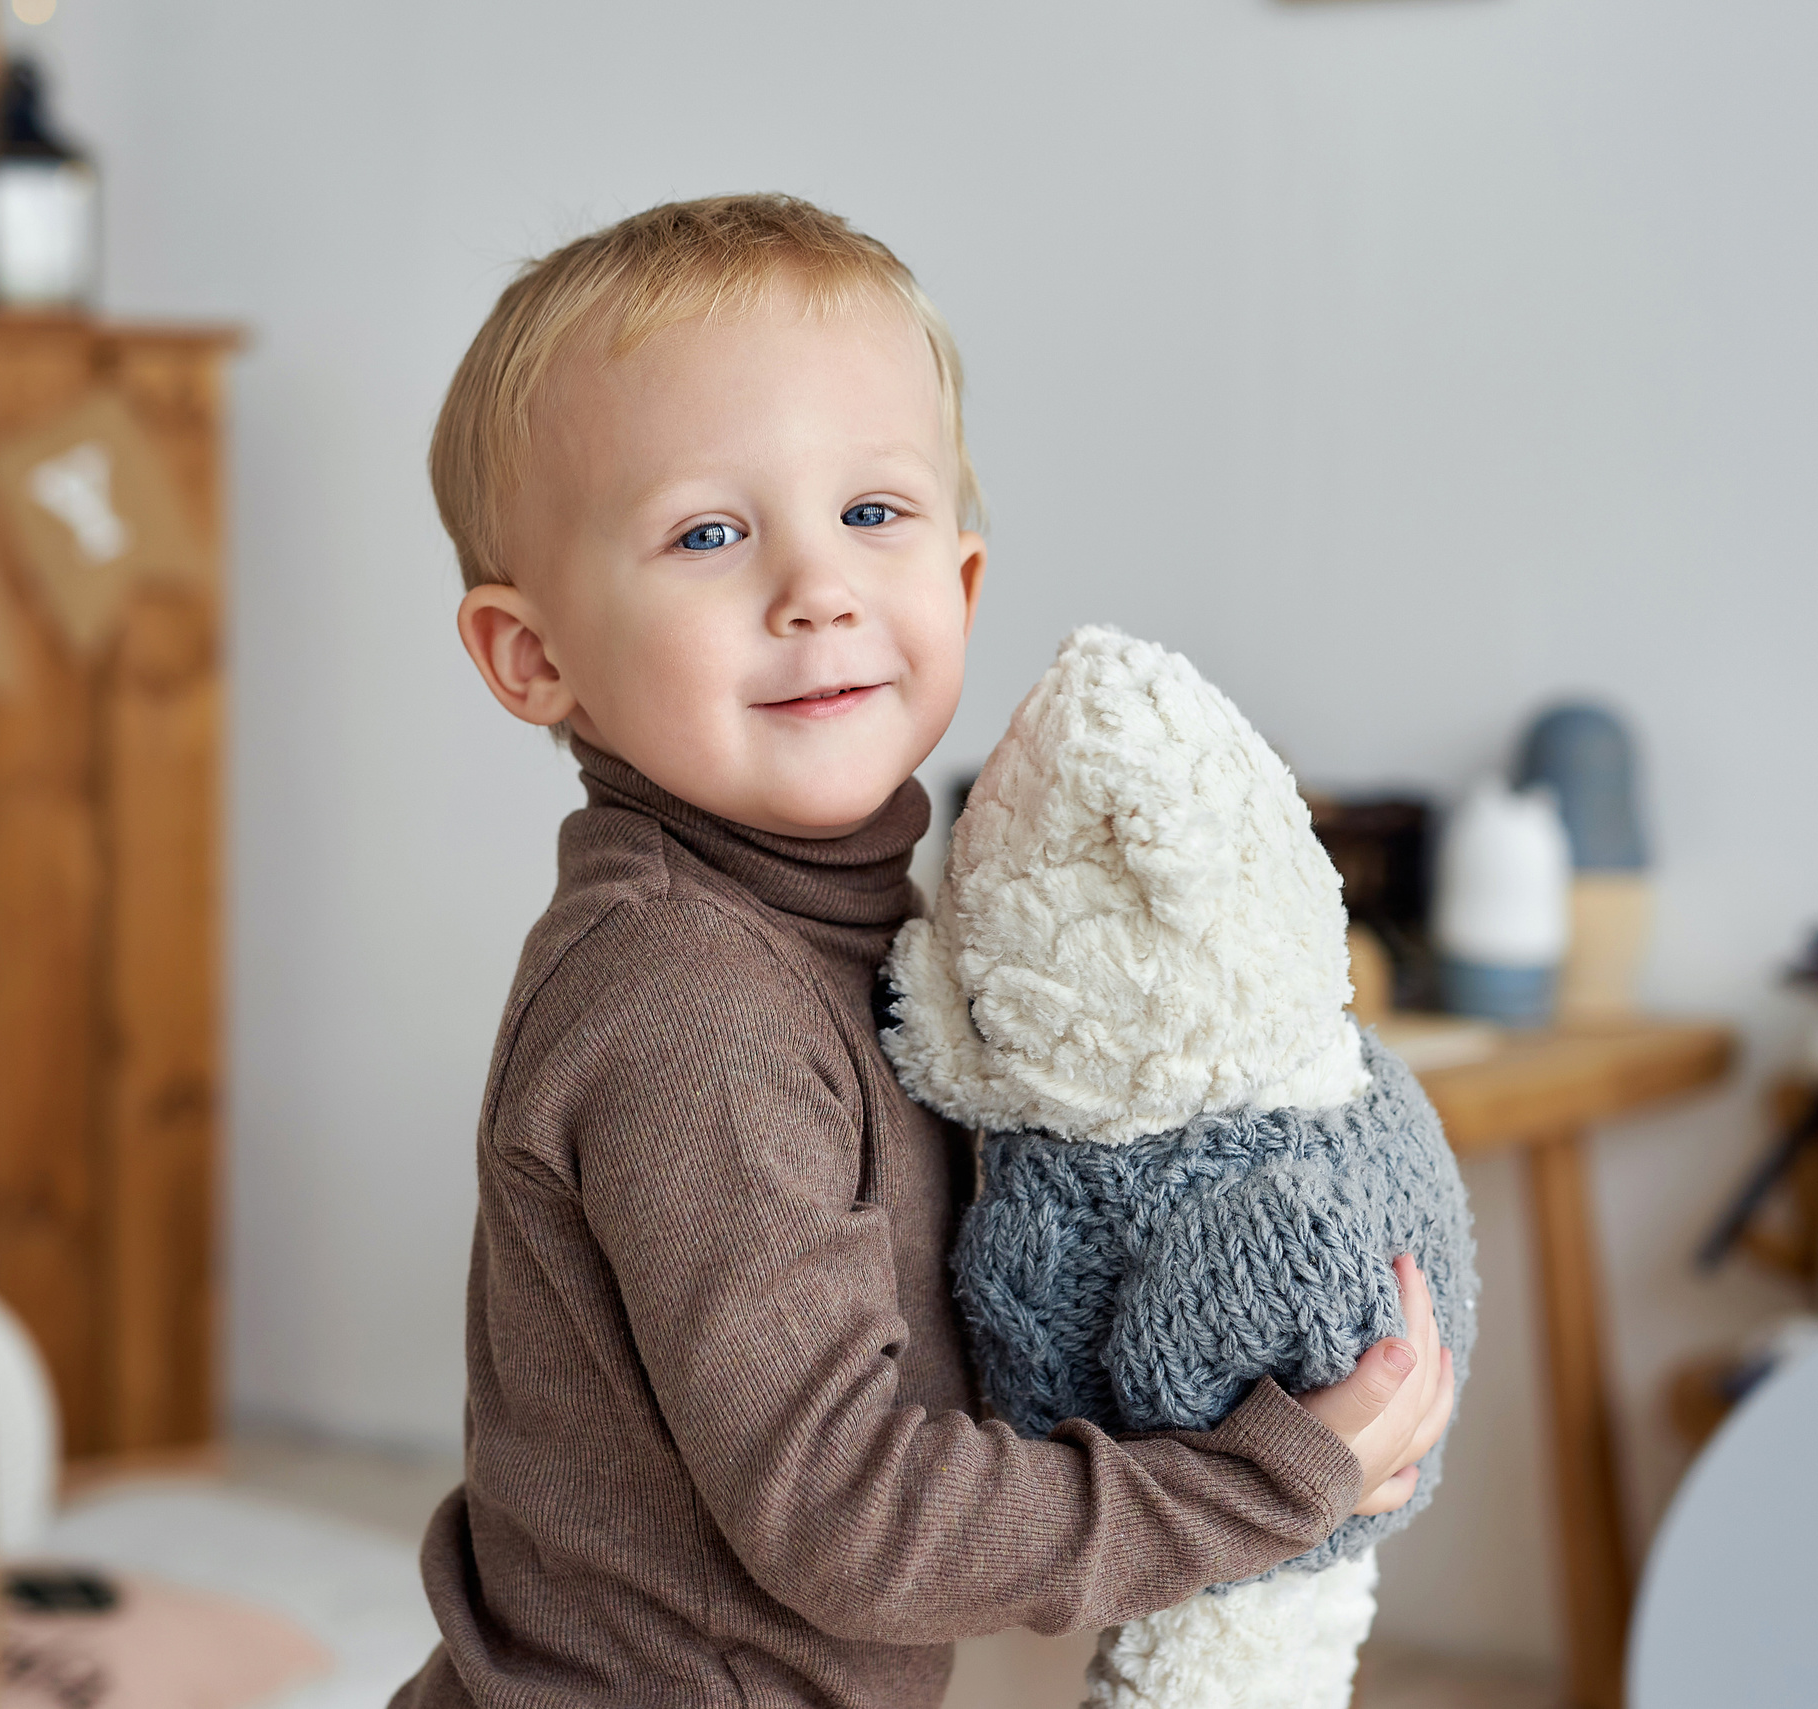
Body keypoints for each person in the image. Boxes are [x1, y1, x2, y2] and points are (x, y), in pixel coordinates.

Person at [392, 193, 1455, 1709]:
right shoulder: (681, 999)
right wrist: (1259, 1483)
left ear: (958, 584)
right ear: (533, 653)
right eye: (708, 533)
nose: (817, 588)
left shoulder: (874, 943)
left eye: (873, 513)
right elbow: (848, 1516)